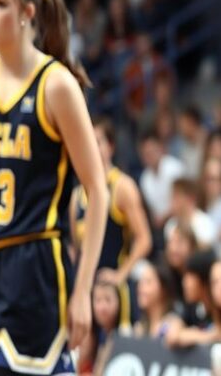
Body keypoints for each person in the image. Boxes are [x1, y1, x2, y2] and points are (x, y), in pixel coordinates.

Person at [0, 0, 108, 374]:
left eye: (0, 4)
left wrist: (83, 289)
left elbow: (98, 191)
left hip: (34, 261)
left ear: (28, 12)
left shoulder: (56, 84)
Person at [70, 118, 152, 331]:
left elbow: (144, 240)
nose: (91, 147)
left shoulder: (122, 186)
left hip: (114, 292)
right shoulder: (76, 195)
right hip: (86, 290)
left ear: (111, 147)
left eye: (97, 141)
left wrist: (121, 274)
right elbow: (75, 248)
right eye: (87, 141)